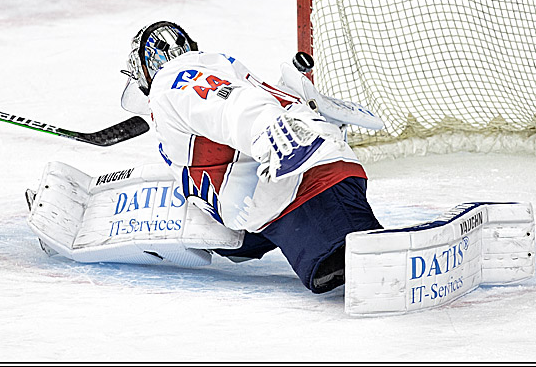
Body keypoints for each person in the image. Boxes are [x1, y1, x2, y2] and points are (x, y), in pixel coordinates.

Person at [117, 21, 383, 293]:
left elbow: (231, 106)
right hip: (282, 195)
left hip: (306, 187)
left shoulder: (172, 81)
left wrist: (272, 133)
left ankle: (380, 256)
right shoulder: (213, 69)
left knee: (366, 269)